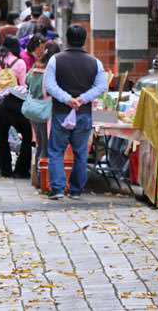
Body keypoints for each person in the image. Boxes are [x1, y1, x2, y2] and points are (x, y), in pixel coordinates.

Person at [44, 24, 108, 199]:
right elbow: (102, 86)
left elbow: (49, 85)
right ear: (85, 40)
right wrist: (82, 99)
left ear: (67, 39)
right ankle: (76, 190)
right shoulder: (95, 62)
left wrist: (67, 99)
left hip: (61, 112)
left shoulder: (56, 60)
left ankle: (57, 189)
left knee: (57, 150)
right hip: (84, 113)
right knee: (80, 153)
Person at [0, 36, 31, 178]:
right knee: (27, 136)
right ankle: (21, 170)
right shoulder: (20, 63)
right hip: (16, 103)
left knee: (2, 136)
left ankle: (5, 170)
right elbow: (23, 85)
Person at [27, 40, 60, 183]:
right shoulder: (53, 71)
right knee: (46, 146)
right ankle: (43, 179)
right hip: (46, 111)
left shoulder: (35, 68)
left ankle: (36, 176)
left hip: (33, 110)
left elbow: (27, 81)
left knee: (40, 144)